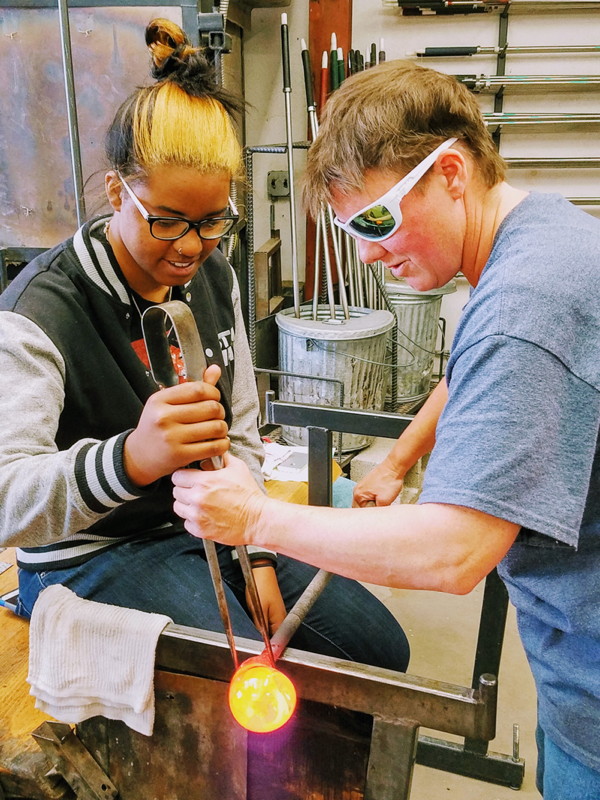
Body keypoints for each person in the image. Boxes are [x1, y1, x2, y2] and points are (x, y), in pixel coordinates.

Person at [171, 60, 600, 798]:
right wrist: (398, 458)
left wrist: (258, 518)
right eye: (350, 229)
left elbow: (453, 553)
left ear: (452, 174)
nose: (368, 252)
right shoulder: (542, 237)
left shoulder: (524, 306)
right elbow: (474, 370)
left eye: (377, 219)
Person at [0, 20, 410, 674]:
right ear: (117, 193)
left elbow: (240, 427)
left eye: (212, 222)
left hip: (213, 524)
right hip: (94, 554)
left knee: (378, 652)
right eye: (167, 222)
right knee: (249, 670)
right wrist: (130, 459)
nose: (191, 245)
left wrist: (262, 549)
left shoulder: (211, 276)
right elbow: (5, 502)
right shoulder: (40, 312)